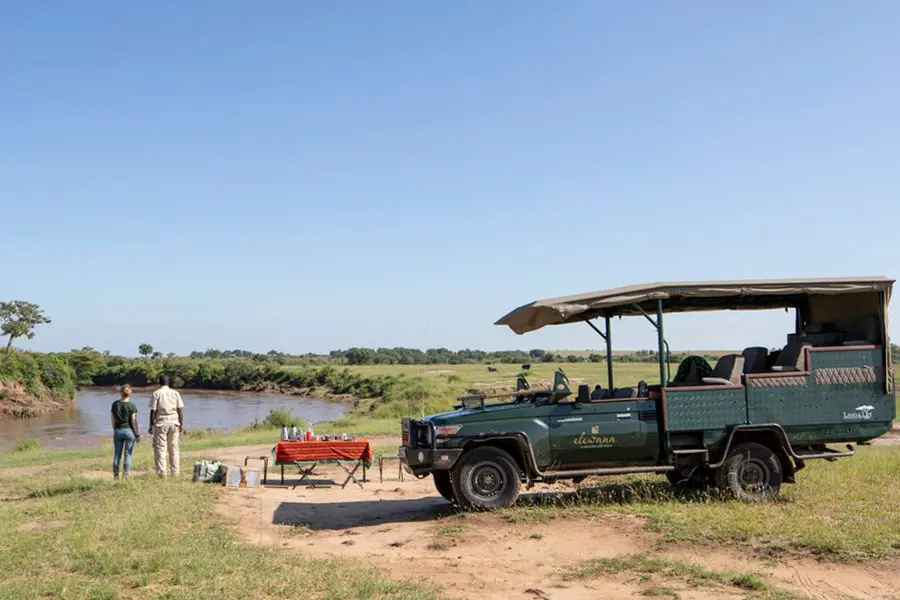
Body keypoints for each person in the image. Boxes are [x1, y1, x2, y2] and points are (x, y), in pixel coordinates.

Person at [149, 375, 184, 477]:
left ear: (159, 383)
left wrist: (151, 425)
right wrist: (181, 424)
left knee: (160, 448)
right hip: (174, 422)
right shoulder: (175, 393)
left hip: (161, 422)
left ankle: (161, 473)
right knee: (174, 449)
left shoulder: (156, 393)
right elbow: (180, 410)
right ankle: (175, 472)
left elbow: (153, 411)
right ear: (169, 383)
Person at [111, 384, 140, 479]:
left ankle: (116, 476)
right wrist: (137, 434)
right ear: (130, 393)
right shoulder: (132, 406)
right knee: (127, 454)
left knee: (117, 455)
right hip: (129, 431)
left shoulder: (115, 404)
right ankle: (126, 475)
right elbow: (133, 421)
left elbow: (113, 420)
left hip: (118, 430)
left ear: (120, 392)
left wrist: (115, 429)